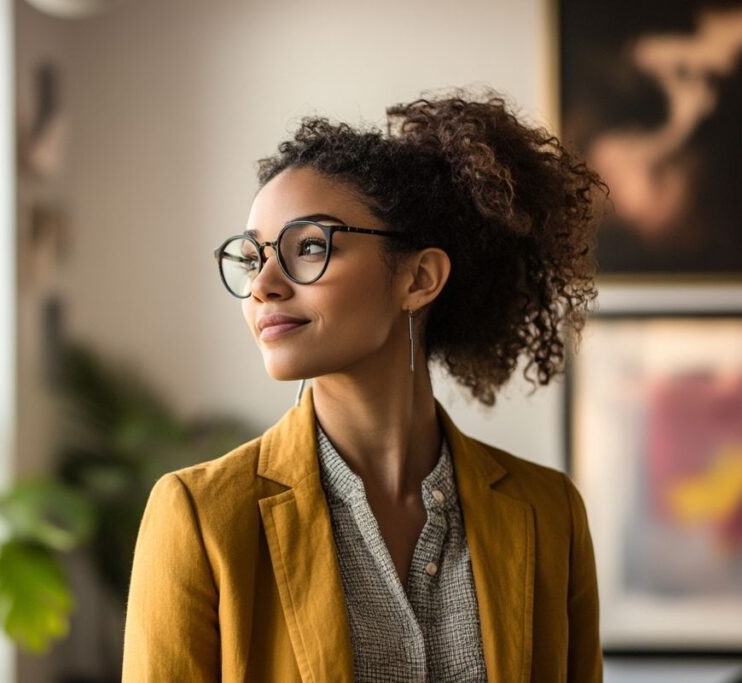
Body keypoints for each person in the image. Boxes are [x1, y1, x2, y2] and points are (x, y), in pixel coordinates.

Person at [121, 87, 609, 682]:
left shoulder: (547, 511)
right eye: (252, 258)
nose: (265, 285)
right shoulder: (201, 518)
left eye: (309, 247)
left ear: (419, 279)